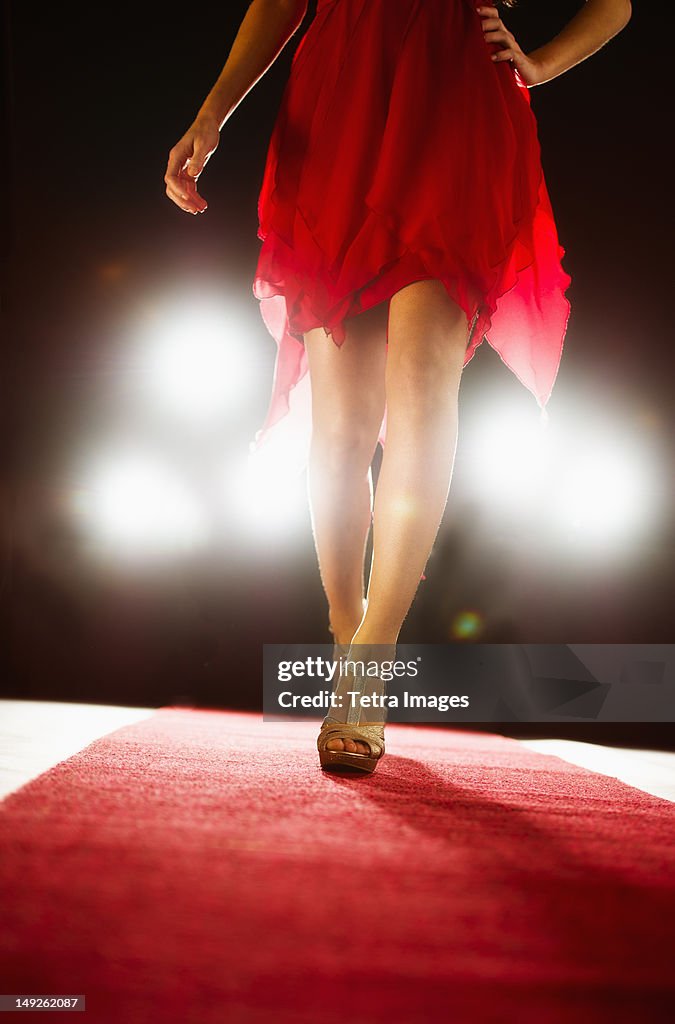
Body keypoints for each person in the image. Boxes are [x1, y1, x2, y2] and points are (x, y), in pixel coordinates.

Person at [165, 0, 632, 773]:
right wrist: (213, 112)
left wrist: (541, 64)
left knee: (421, 388)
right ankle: (345, 625)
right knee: (342, 422)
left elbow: (614, 4)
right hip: (341, 98)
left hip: (456, 101)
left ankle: (370, 664)